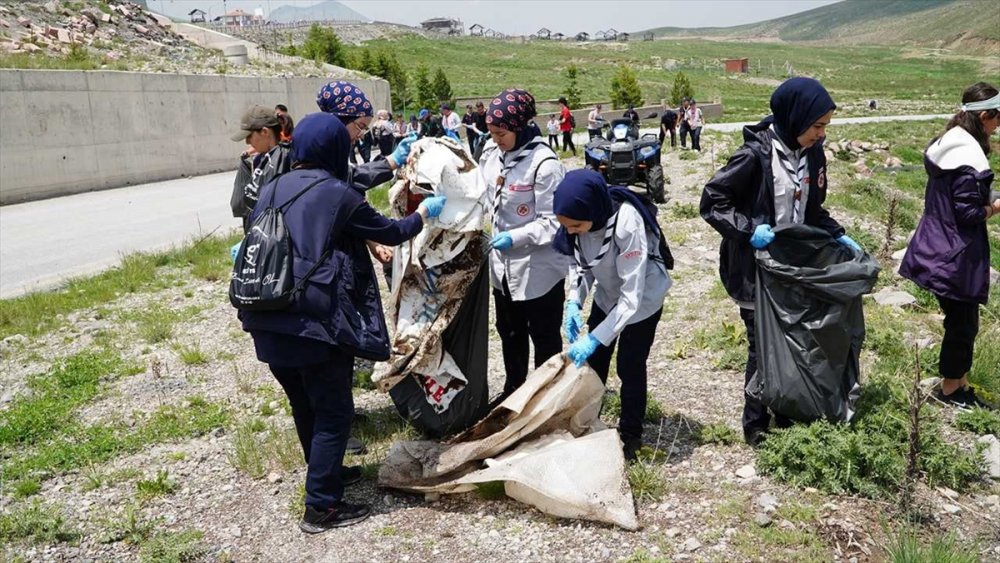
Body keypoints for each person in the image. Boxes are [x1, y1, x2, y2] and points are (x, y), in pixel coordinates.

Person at [239, 112, 447, 533]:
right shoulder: (337, 194)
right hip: (312, 324)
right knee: (333, 411)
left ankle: (325, 471)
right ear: (337, 148)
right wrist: (424, 212)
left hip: (266, 316)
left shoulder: (273, 185)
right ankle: (322, 507)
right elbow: (391, 232)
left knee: (304, 403)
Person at [699, 77, 860, 446]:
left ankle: (787, 409)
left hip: (794, 266)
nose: (821, 134)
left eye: (826, 127)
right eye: (817, 126)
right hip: (756, 268)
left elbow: (812, 207)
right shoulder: (755, 155)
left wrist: (836, 233)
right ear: (795, 117)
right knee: (763, 345)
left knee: (794, 339)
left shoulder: (812, 153)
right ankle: (755, 422)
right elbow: (713, 202)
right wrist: (748, 229)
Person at [554, 169, 672, 461]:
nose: (570, 231)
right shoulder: (576, 222)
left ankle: (631, 433)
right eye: (565, 226)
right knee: (595, 364)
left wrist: (594, 337)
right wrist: (573, 302)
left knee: (630, 367)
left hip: (642, 301)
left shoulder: (627, 223)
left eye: (575, 225)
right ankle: (586, 423)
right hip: (608, 297)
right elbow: (580, 267)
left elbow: (631, 296)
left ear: (592, 210)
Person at [900, 82, 1000, 409]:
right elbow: (967, 212)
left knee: (961, 320)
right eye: (997, 119)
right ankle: (950, 389)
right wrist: (994, 207)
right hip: (954, 251)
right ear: (984, 116)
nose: (998, 127)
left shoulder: (949, 142)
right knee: (963, 323)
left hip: (936, 242)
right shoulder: (969, 158)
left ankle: (961, 381)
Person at [480, 88, 570, 399]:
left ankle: (546, 396)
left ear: (519, 127)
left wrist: (515, 237)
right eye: (491, 133)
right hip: (503, 269)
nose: (495, 139)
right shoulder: (492, 156)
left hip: (538, 270)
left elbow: (553, 222)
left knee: (544, 336)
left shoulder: (543, 164)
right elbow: (481, 195)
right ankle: (514, 390)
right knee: (510, 332)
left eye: (501, 133)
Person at [230, 105, 291, 232]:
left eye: (249, 136)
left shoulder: (289, 159)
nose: (247, 142)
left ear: (265, 132)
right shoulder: (257, 161)